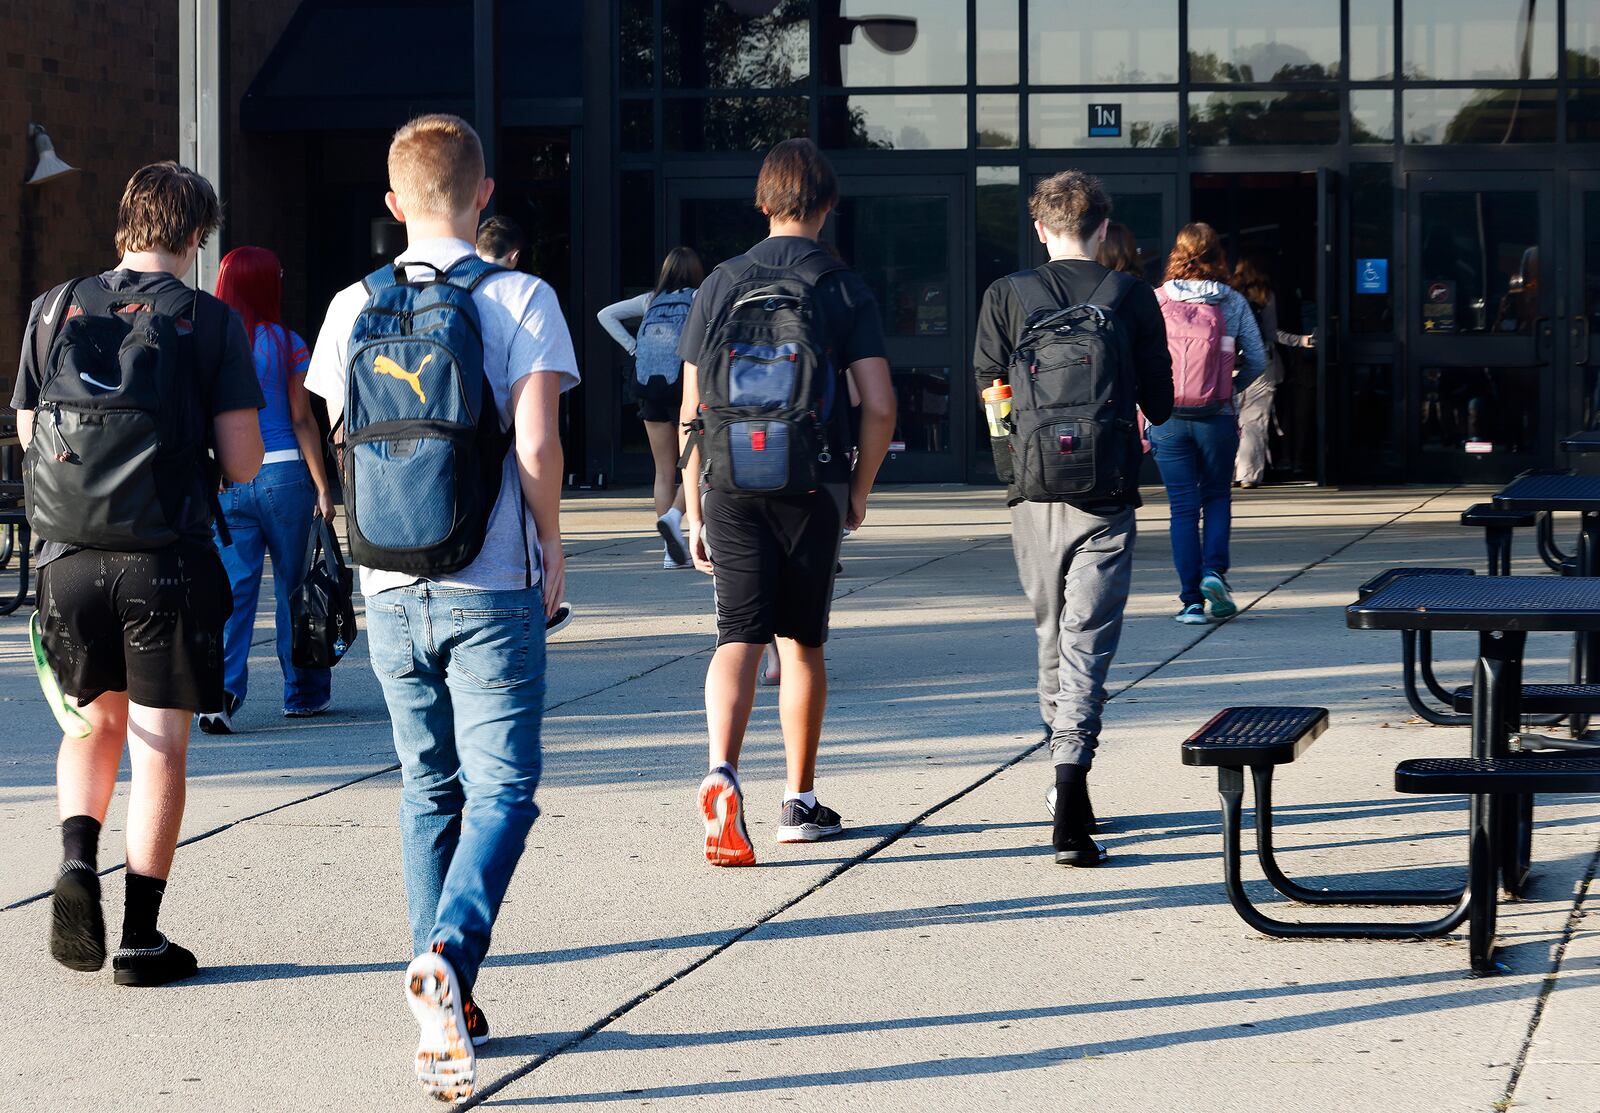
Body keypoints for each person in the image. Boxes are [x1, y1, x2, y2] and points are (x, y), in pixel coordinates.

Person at [305, 113, 577, 1102]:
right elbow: (539, 448)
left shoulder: (350, 305)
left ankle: (442, 1002)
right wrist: (551, 544)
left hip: (388, 578)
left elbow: (347, 438)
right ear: (485, 192)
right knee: (504, 791)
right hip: (487, 575)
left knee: (429, 791)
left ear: (392, 203)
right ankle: (448, 964)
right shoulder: (520, 297)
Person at [15, 162, 264, 986]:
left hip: (66, 561)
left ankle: (78, 860)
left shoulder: (54, 307)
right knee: (160, 749)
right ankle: (141, 939)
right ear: (197, 235)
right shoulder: (210, 322)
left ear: (126, 223)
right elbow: (241, 458)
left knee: (92, 727)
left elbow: (27, 431)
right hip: (163, 564)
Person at [678, 138, 895, 867]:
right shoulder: (841, 286)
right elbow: (880, 403)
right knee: (802, 640)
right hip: (814, 478)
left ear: (762, 203)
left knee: (737, 633)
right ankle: (799, 801)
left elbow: (693, 407)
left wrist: (693, 505)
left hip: (728, 477)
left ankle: (721, 769)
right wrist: (857, 488)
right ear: (828, 208)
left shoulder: (719, 283)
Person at [973, 170, 1173, 866]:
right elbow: (1165, 402)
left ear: (1040, 228)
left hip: (1033, 495)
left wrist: (1014, 469)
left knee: (1048, 634)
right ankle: (1071, 790)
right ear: (1104, 228)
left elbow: (992, 391)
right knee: (1085, 643)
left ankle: (1065, 787)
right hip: (1108, 492)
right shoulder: (1130, 295)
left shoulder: (1007, 295)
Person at [198, 246, 336, 734]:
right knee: (294, 590)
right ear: (264, 285)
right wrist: (324, 487)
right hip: (284, 477)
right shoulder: (287, 343)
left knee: (231, 595)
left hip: (229, 480)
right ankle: (302, 694)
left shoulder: (207, 340)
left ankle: (219, 695)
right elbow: (302, 419)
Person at [1149, 223, 1267, 624]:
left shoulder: (1158, 299)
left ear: (1176, 254)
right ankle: (1213, 573)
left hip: (1167, 417)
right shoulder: (1231, 301)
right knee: (1216, 497)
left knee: (1183, 508)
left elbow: (1140, 360)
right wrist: (1229, 390)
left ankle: (1191, 603)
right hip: (1216, 415)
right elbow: (1258, 359)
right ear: (1218, 254)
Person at [597, 247, 706, 568]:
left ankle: (669, 552)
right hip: (686, 389)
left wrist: (634, 348)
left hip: (651, 389)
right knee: (693, 462)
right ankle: (675, 516)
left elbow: (605, 314)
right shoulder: (700, 296)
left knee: (662, 470)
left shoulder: (650, 300)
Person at [1230, 254, 1314, 489]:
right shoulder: (1264, 295)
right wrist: (1301, 341)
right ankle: (1248, 475)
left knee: (1231, 420)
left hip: (1229, 365)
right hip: (1261, 363)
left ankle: (1232, 471)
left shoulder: (1226, 293)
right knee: (1254, 421)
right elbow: (1271, 333)